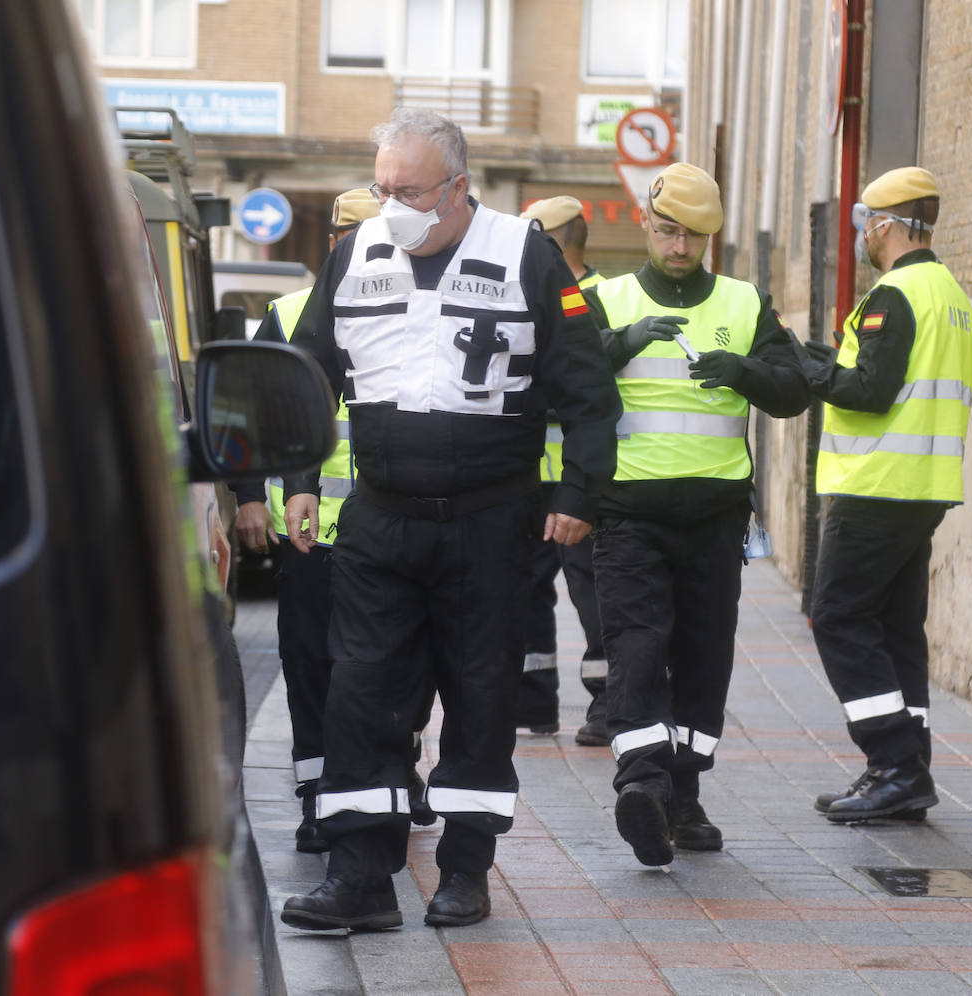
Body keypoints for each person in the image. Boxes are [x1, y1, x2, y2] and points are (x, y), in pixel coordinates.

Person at [277, 109, 620, 931]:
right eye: (381, 188)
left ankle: (465, 869)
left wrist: (577, 495)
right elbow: (308, 376)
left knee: (480, 694)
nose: (392, 204)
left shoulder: (527, 255)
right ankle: (362, 875)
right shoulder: (353, 255)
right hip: (381, 520)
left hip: (490, 520)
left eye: (410, 190)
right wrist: (297, 479)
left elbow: (587, 392)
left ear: (459, 188)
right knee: (361, 693)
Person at [585, 162, 808, 866]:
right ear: (647, 226)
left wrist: (742, 370)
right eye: (669, 232)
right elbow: (563, 378)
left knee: (703, 659)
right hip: (629, 516)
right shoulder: (607, 299)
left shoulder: (744, 305)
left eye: (696, 237)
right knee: (638, 647)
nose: (680, 249)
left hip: (713, 521)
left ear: (712, 237)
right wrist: (623, 342)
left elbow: (793, 390)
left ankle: (682, 797)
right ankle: (642, 784)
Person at [233, 188, 437, 855]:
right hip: (314, 537)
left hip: (396, 531)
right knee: (311, 666)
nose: (354, 246)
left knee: (400, 664)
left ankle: (390, 771)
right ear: (331, 244)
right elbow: (248, 417)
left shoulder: (420, 311)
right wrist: (248, 497)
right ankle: (321, 798)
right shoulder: (290, 315)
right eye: (345, 234)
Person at [800, 166, 972, 823]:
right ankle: (909, 769)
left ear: (883, 224)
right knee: (898, 629)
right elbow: (887, 375)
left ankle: (894, 763)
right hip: (924, 486)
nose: (858, 237)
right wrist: (824, 357)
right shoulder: (948, 294)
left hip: (876, 485)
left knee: (840, 618)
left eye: (861, 223)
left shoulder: (893, 294)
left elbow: (868, 392)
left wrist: (807, 369)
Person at [515, 195, 610, 745]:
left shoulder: (596, 298)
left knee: (591, 589)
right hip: (530, 475)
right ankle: (533, 704)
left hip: (576, 476)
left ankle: (606, 704)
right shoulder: (529, 293)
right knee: (526, 590)